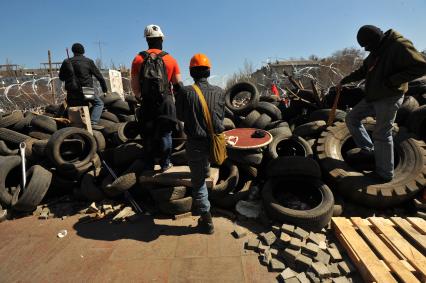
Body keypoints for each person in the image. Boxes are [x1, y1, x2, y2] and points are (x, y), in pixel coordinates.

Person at [339, 25, 426, 182]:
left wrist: (392, 81)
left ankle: (385, 173)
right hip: (374, 95)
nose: (366, 49)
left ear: (375, 40)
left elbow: (421, 66)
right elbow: (363, 70)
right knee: (351, 118)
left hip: (389, 96)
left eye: (367, 45)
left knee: (381, 133)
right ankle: (369, 150)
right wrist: (344, 81)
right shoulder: (377, 50)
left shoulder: (399, 45)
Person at [175, 54, 226, 234]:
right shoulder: (220, 91)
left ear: (191, 72)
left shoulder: (185, 92)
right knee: (204, 171)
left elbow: (180, 117)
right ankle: (207, 203)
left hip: (195, 143)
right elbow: (221, 117)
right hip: (214, 142)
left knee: (198, 183)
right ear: (209, 71)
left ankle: (207, 220)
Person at [131, 24, 182, 171]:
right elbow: (178, 85)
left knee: (148, 134)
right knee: (165, 133)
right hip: (165, 102)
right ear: (161, 39)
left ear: (147, 40)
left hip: (147, 103)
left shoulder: (138, 59)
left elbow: (135, 88)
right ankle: (165, 163)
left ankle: (149, 164)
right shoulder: (170, 59)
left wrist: (142, 97)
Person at [59, 43, 108, 127]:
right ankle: (93, 123)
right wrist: (105, 90)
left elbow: (61, 77)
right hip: (86, 90)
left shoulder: (66, 62)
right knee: (99, 104)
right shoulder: (88, 61)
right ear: (83, 51)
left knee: (73, 109)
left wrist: (69, 74)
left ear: (73, 51)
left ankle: (71, 127)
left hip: (72, 91)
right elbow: (99, 76)